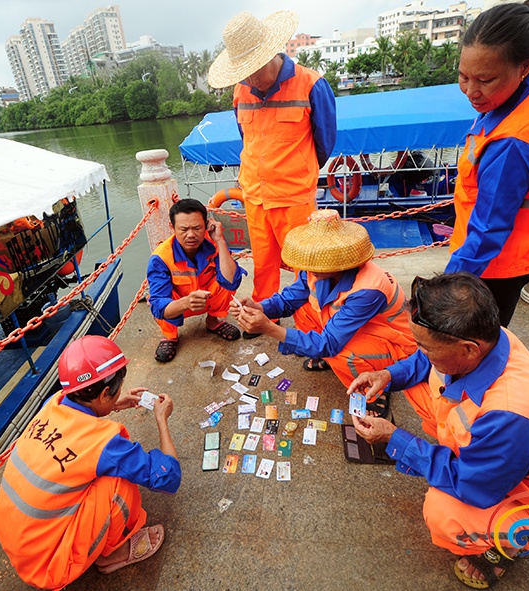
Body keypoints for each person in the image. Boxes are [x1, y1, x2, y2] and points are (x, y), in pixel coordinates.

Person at [347, 273, 529, 589]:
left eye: (425, 347)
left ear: (468, 349)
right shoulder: (491, 338)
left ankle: (512, 542)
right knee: (419, 386)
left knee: (443, 512)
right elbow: (427, 365)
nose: (420, 353)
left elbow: (472, 486)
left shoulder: (511, 416)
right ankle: (466, 454)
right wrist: (388, 375)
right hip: (499, 458)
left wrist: (395, 439)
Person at [0, 336, 181, 590]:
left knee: (94, 471)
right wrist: (162, 420)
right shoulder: (104, 444)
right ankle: (115, 553)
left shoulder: (53, 404)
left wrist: (111, 405)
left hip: (18, 539)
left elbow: (80, 413)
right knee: (118, 481)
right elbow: (168, 477)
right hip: (49, 565)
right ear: (103, 394)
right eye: (112, 394)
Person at [207, 10, 337, 336]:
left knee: (305, 267)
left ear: (271, 54)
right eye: (244, 74)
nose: (251, 80)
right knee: (263, 264)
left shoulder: (312, 85)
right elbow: (246, 139)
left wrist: (297, 172)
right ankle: (263, 318)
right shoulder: (241, 91)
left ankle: (310, 330)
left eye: (254, 72)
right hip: (254, 195)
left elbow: (325, 142)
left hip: (293, 196)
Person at [445, 0, 529, 327]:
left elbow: (489, 229)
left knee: (477, 341)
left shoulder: (515, 143)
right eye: (463, 76)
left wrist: (447, 285)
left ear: (525, 64)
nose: (471, 92)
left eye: (485, 80)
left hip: (499, 262)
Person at [232, 210, 417, 416]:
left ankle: (375, 390)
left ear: (337, 259)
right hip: (361, 329)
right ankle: (328, 359)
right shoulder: (316, 268)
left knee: (339, 353)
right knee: (302, 309)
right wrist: (261, 307)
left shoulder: (368, 289)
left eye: (318, 259)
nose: (309, 267)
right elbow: (288, 299)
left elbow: (329, 344)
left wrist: (269, 328)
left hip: (398, 346)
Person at [146, 198, 245, 362]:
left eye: (197, 228)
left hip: (207, 298)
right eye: (183, 229)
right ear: (172, 227)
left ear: (206, 226)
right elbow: (158, 306)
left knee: (228, 279)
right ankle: (170, 336)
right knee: (160, 301)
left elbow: (231, 281)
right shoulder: (160, 258)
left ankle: (213, 321)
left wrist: (220, 240)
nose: (191, 235)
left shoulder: (213, 243)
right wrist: (186, 302)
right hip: (180, 304)